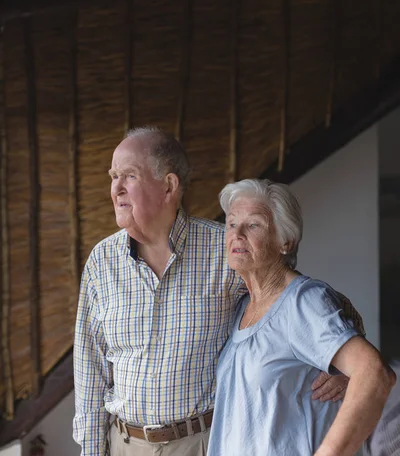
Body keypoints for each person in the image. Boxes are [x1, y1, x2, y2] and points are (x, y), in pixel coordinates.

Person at [73, 127, 363, 456]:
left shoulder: (223, 249)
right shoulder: (102, 261)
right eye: (114, 176)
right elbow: (90, 372)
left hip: (202, 443)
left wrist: (345, 371)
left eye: (129, 176)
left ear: (168, 186)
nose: (117, 188)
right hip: (123, 443)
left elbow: (311, 302)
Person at [207, 178, 396, 456]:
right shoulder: (243, 306)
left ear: (286, 241)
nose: (237, 234)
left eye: (254, 224)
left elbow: (375, 373)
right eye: (232, 223)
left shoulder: (302, 302)